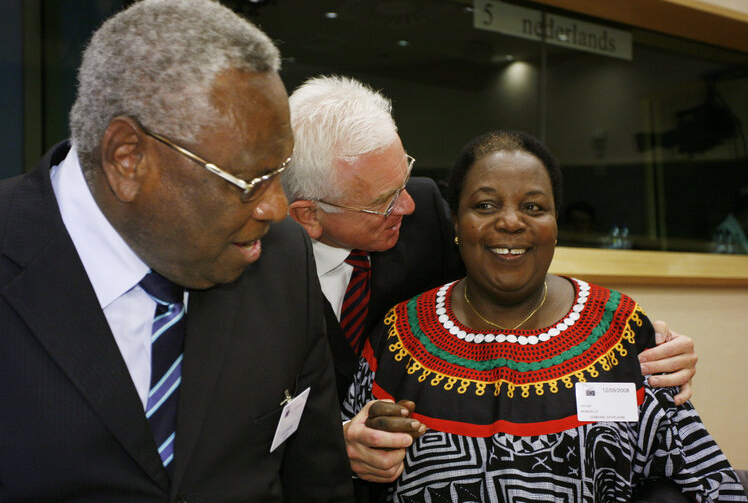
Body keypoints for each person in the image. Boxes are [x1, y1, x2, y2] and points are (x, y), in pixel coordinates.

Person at [0, 0, 352, 501]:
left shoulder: (280, 259)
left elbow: (316, 479)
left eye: (279, 174)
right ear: (128, 159)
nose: (275, 208)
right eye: (249, 179)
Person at [282, 76, 698, 485]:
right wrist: (335, 444)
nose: (406, 206)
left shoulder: (423, 211)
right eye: (382, 202)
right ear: (310, 215)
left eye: (403, 182)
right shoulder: (250, 272)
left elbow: (502, 279)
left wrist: (639, 340)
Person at [342, 130, 746, 502]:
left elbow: (708, 482)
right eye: (485, 205)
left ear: (555, 225)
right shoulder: (400, 336)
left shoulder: (620, 329)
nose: (511, 222)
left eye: (533, 206)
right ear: (456, 223)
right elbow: (339, 467)